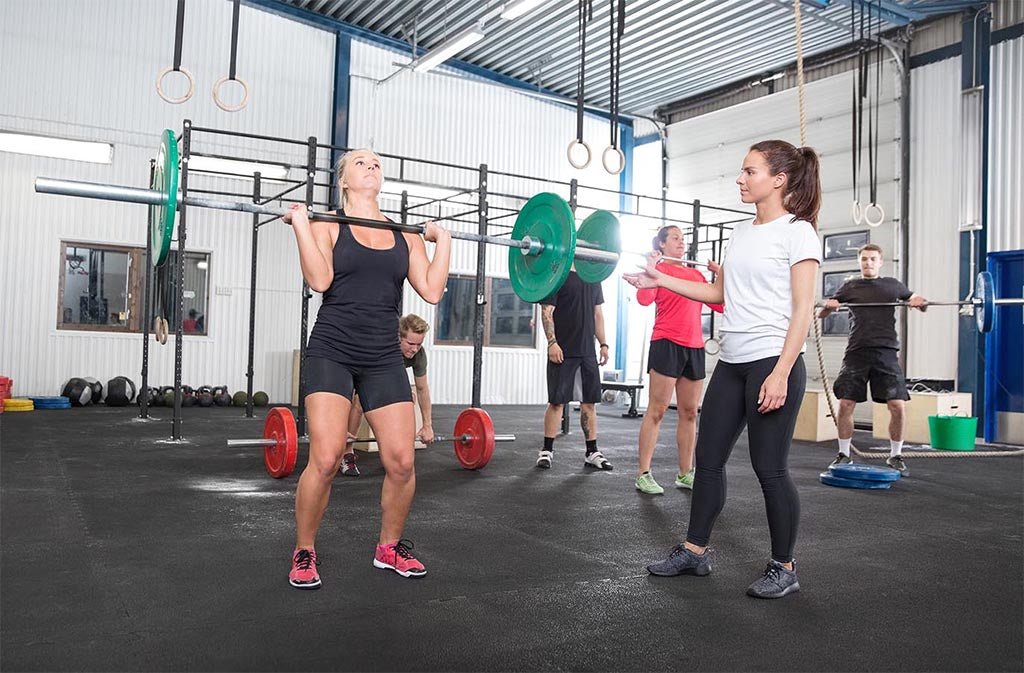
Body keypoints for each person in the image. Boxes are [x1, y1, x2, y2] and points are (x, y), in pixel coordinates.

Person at [624, 139, 821, 599]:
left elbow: (802, 310)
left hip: (773, 361)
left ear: (779, 179)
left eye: (749, 171)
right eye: (742, 171)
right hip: (731, 362)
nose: (740, 178)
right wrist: (660, 278)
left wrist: (781, 371)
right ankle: (695, 551)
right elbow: (718, 295)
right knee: (707, 461)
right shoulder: (741, 233)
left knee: (769, 469)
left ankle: (784, 566)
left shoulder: (799, 232)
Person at [285, 148, 451, 589]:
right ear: (342, 180)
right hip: (333, 348)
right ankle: (304, 550)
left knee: (401, 461)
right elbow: (319, 281)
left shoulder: (404, 234)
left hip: (382, 354)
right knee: (324, 458)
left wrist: (445, 239)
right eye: (359, 162)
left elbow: (432, 291)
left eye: (376, 163)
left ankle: (388, 548)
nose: (370, 166)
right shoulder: (327, 223)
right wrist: (302, 225)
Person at [817, 244, 927, 476]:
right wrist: (829, 306)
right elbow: (822, 313)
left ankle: (896, 456)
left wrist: (919, 301)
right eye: (864, 259)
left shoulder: (892, 285)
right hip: (857, 352)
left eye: (872, 259)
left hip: (886, 352)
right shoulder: (850, 287)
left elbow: (915, 299)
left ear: (880, 261)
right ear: (860, 262)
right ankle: (844, 453)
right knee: (846, 403)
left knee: (897, 405)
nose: (868, 263)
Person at [633, 225, 724, 495]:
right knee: (657, 410)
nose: (682, 242)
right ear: (661, 244)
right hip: (666, 343)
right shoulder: (659, 271)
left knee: (689, 413)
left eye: (683, 239)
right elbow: (643, 298)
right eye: (675, 238)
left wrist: (721, 276)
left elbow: (721, 304)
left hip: (694, 347)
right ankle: (643, 474)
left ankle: (685, 473)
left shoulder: (696, 274)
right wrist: (651, 269)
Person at [536, 268, 613, 471]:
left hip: (587, 351)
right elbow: (546, 311)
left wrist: (603, 343)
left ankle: (592, 452)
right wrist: (552, 342)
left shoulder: (593, 276)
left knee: (589, 403)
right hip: (563, 349)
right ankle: (546, 450)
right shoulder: (557, 275)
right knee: (557, 402)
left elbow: (598, 314)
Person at [342, 314, 435, 477]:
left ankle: (395, 455)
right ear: (398, 337)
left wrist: (427, 425)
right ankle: (347, 452)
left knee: (407, 399)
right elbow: (360, 380)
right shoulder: (381, 345)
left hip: (389, 375)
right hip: (360, 368)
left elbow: (422, 389)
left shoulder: (418, 354)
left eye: (419, 344)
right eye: (410, 344)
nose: (414, 349)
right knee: (359, 400)